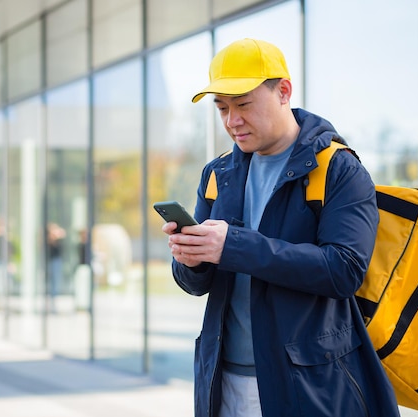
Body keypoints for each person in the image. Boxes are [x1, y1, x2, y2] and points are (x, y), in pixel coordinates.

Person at [161, 38, 400, 417]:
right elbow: (198, 284)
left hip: (306, 387)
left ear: (283, 91)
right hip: (220, 382)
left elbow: (344, 270)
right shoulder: (217, 173)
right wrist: (190, 258)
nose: (231, 121)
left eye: (242, 104)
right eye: (221, 108)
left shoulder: (339, 168)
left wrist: (233, 246)